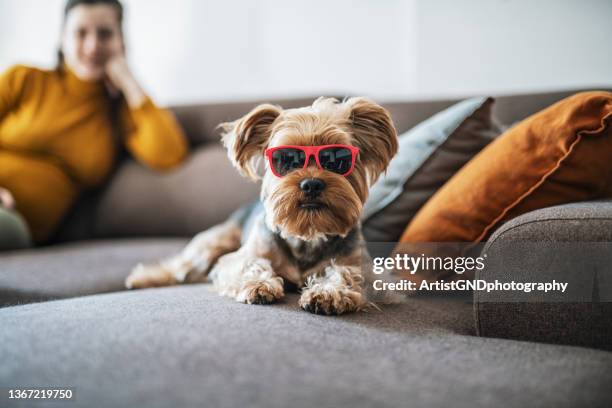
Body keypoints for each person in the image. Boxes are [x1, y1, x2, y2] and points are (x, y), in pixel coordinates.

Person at [0, 0, 188, 250]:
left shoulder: (119, 113)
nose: (92, 46)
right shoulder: (25, 79)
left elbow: (169, 154)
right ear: (62, 38)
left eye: (105, 34)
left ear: (121, 41)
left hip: (15, 222)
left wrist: (128, 80)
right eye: (81, 33)